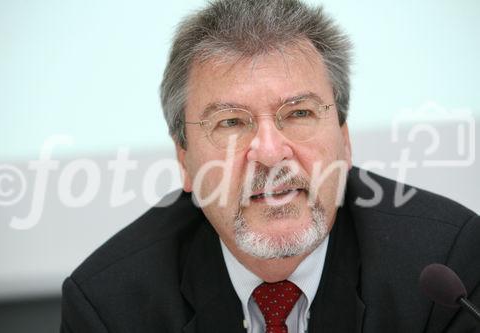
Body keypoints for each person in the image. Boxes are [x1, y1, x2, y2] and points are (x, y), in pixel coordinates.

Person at [60, 0, 480, 332]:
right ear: (184, 160)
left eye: (298, 114)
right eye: (230, 123)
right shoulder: (110, 307)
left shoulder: (444, 265)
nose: (269, 151)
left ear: (345, 140)